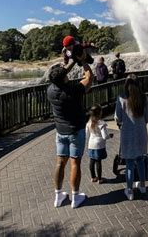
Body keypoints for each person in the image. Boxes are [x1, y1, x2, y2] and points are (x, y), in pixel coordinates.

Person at [48, 48, 93, 209]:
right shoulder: (73, 91)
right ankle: (75, 197)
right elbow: (89, 77)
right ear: (65, 77)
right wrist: (84, 60)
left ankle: (58, 196)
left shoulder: (51, 90)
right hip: (75, 131)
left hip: (60, 132)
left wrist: (73, 59)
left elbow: (60, 74)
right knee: (75, 164)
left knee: (60, 162)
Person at [114, 74, 148, 201]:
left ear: (126, 84)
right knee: (140, 160)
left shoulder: (121, 98)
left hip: (127, 134)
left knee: (129, 163)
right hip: (141, 133)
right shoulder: (144, 97)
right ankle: (142, 185)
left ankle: (129, 190)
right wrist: (140, 123)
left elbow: (118, 117)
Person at [86, 104, 112, 184]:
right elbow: (104, 136)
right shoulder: (101, 123)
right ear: (100, 113)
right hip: (99, 145)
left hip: (91, 144)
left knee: (92, 161)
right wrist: (109, 136)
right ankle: (100, 179)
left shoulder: (88, 123)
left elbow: (86, 135)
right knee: (98, 162)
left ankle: (93, 177)